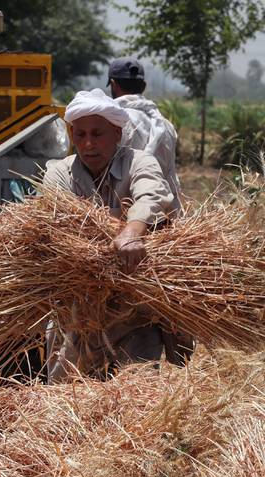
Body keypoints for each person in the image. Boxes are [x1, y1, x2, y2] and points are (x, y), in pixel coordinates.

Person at [42, 88, 189, 383]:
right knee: (66, 393)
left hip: (134, 307)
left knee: (138, 392)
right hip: (77, 308)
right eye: (80, 134)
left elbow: (153, 195)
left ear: (118, 134)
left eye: (98, 134)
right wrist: (115, 230)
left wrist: (133, 231)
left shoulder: (141, 162)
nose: (88, 143)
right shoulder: (58, 173)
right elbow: (64, 222)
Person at [107, 57, 182, 205]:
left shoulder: (115, 123)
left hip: (125, 215)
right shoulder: (165, 125)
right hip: (165, 212)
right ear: (144, 86)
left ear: (114, 85)